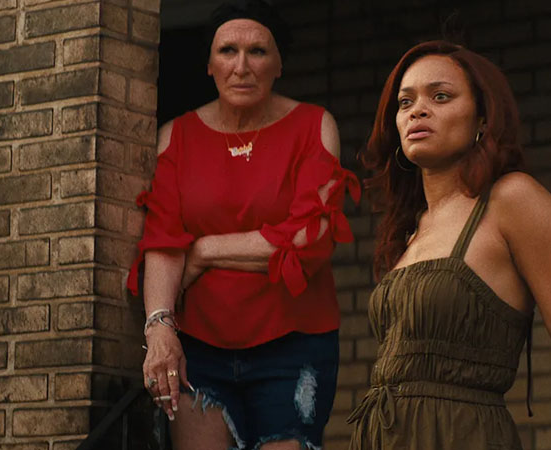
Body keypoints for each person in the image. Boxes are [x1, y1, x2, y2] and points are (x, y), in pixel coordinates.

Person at [126, 1, 360, 449]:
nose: (241, 66)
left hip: (294, 343)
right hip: (199, 345)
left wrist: (203, 251)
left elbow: (305, 241)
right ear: (209, 64)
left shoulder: (314, 126)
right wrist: (160, 327)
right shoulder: (176, 136)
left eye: (258, 51)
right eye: (228, 51)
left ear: (279, 65)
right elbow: (163, 241)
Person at [347, 40, 551, 450]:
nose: (417, 111)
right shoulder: (412, 229)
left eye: (440, 96)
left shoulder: (511, 199)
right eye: (405, 102)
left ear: (482, 118)